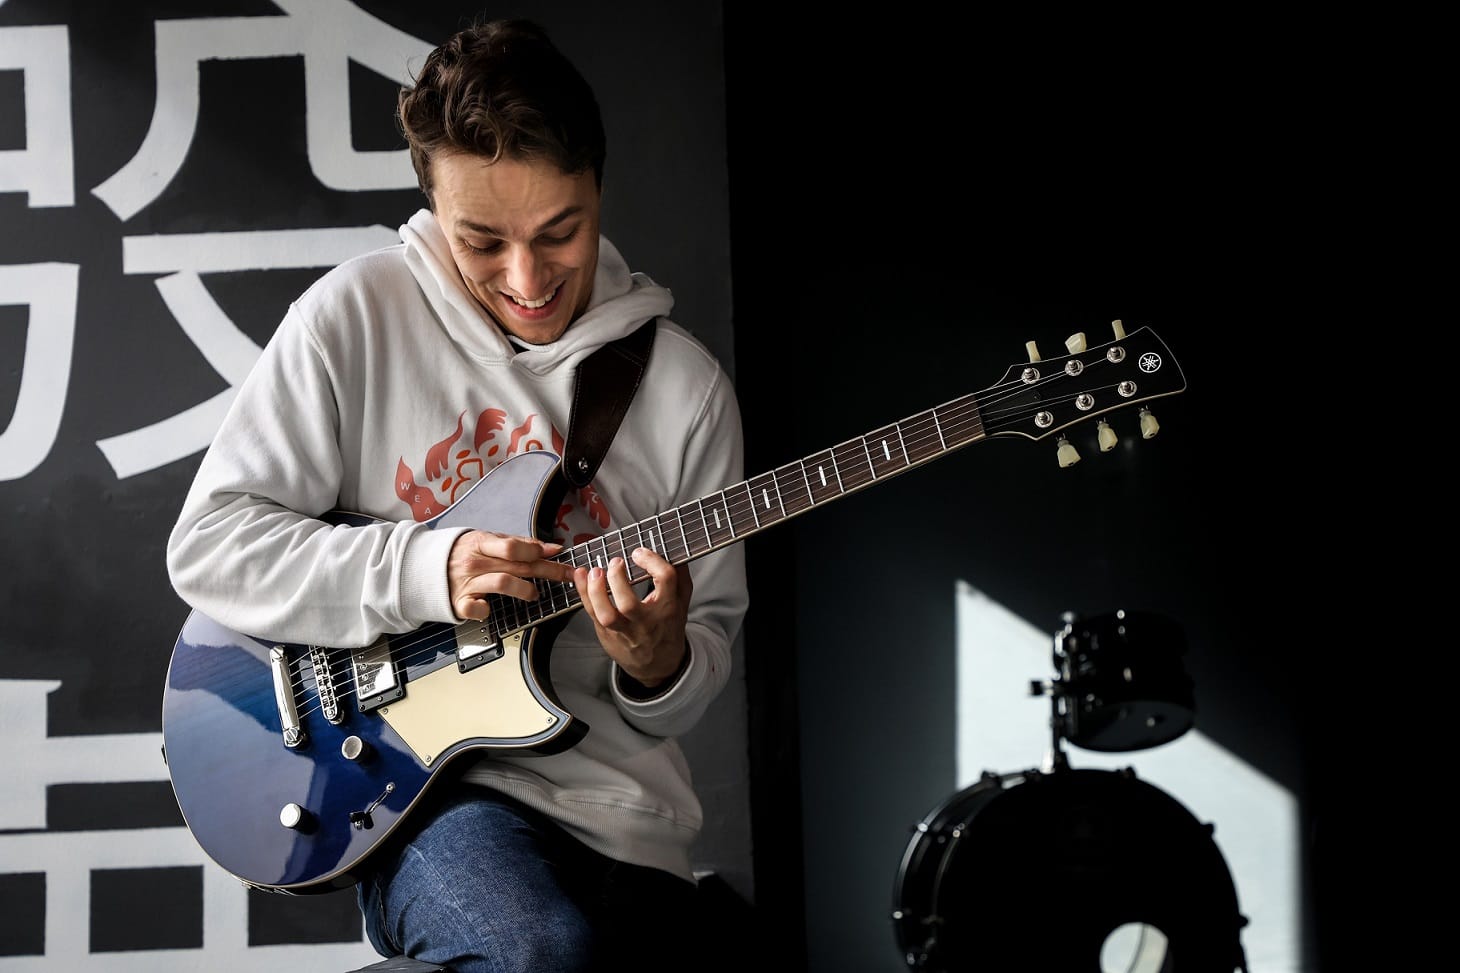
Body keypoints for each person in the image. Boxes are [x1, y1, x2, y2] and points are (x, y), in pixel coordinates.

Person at [165, 16, 747, 973]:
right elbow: (211, 547)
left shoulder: (686, 392)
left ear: (599, 185)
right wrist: (425, 567)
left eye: (560, 232)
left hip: (631, 819)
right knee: (532, 951)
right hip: (432, 796)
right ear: (433, 206)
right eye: (483, 241)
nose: (527, 279)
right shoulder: (354, 319)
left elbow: (691, 680)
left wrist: (660, 662)